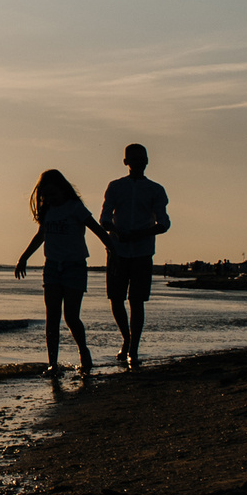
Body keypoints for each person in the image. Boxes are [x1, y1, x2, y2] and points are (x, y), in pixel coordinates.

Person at [13, 169, 115, 374]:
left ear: (63, 190)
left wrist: (112, 249)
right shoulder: (48, 211)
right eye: (46, 196)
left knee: (71, 316)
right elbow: (40, 235)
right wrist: (23, 258)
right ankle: (53, 363)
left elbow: (97, 229)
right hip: (51, 267)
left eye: (53, 194)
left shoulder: (75, 208)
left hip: (74, 267)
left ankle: (83, 351)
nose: (50, 199)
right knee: (52, 317)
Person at [98, 143, 171, 362]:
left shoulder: (156, 190)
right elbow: (104, 218)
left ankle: (133, 348)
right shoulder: (115, 187)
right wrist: (116, 232)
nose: (139, 162)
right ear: (126, 162)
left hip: (142, 252)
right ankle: (127, 339)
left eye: (142, 159)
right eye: (135, 159)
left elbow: (164, 223)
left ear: (147, 161)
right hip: (117, 251)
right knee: (116, 299)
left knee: (137, 300)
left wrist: (140, 234)